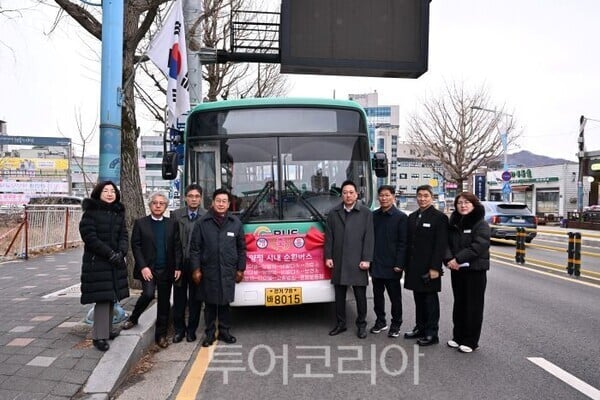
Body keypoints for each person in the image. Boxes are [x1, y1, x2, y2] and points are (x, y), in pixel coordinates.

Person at [122, 192, 181, 349]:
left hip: (166, 269)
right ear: (150, 205)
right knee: (148, 294)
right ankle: (134, 318)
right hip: (149, 269)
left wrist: (177, 267)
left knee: (163, 303)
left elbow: (177, 246)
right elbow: (136, 245)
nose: (158, 205)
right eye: (155, 202)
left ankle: (160, 336)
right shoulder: (141, 223)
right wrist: (143, 267)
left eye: (161, 203)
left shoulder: (171, 224)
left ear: (166, 206)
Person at [190, 188, 246, 347]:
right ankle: (209, 333)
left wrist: (241, 269)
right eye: (218, 201)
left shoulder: (235, 223)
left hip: (228, 269)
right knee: (209, 304)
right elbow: (195, 248)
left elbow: (241, 248)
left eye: (224, 201)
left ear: (229, 204)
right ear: (213, 203)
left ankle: (224, 331)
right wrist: (196, 269)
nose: (221, 204)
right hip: (208, 270)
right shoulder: (202, 223)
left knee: (225, 303)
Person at [79, 181, 129, 352]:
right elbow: (90, 237)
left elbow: (124, 235)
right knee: (102, 299)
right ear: (98, 193)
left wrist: (122, 252)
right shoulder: (91, 213)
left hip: (115, 261)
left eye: (113, 191)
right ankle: (99, 337)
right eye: (106, 191)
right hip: (98, 262)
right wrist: (109, 253)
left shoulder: (117, 213)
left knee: (111, 297)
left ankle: (106, 330)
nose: (110, 194)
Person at [325, 180, 374, 339]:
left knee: (360, 296)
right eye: (345, 192)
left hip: (358, 260)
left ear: (356, 194)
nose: (348, 195)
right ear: (341, 195)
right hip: (339, 259)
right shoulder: (333, 213)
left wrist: (366, 259)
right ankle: (341, 324)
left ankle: (361, 325)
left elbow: (369, 238)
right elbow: (329, 237)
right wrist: (328, 256)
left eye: (351, 192)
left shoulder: (366, 213)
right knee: (339, 296)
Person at [445, 192, 490, 353]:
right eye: (460, 203)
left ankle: (471, 341)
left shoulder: (481, 224)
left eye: (466, 202)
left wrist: (457, 259)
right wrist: (449, 260)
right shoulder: (454, 223)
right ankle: (458, 337)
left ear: (474, 204)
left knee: (473, 306)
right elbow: (447, 244)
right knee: (459, 304)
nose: (463, 205)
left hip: (475, 271)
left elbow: (478, 246)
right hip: (457, 270)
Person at [404, 185, 448, 346]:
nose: (422, 199)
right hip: (414, 266)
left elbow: (440, 245)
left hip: (430, 268)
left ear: (432, 198)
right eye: (420, 196)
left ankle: (432, 333)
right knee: (418, 299)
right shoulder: (413, 217)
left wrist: (435, 268)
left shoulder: (439, 218)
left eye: (426, 196)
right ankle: (420, 328)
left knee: (430, 301)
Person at [370, 185, 407, 338]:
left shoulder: (401, 217)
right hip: (376, 264)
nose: (384, 198)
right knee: (377, 296)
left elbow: (403, 243)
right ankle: (380, 321)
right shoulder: (373, 216)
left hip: (393, 266)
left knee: (395, 298)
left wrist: (399, 264)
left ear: (393, 197)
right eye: (381, 195)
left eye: (387, 195)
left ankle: (396, 324)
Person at [171, 184, 206, 343]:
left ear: (201, 198)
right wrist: (175, 265)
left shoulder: (206, 216)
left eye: (197, 196)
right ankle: (179, 330)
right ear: (185, 198)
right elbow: (172, 241)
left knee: (195, 298)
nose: (193, 199)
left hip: (197, 264)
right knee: (179, 298)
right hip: (179, 264)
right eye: (190, 196)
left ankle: (191, 330)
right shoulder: (176, 215)